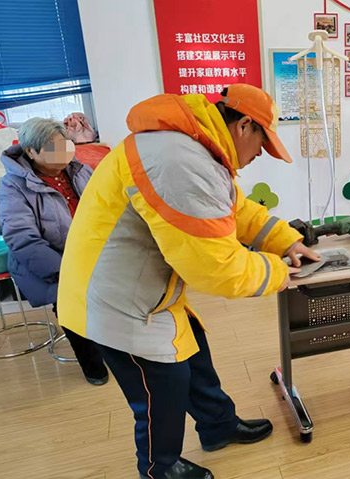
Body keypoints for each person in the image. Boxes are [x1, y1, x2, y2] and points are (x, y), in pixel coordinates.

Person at [57, 84, 320, 479]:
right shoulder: (177, 160)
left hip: (142, 287)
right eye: (262, 144)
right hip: (112, 299)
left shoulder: (194, 148)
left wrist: (286, 240)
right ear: (244, 126)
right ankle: (159, 468)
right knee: (162, 385)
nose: (258, 157)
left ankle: (217, 425)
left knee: (193, 350)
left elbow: (234, 209)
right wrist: (278, 272)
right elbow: (217, 269)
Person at [0, 118, 108, 384]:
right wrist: (65, 271)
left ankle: (115, 351)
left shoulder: (80, 170)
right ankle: (93, 365)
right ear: (31, 152)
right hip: (55, 264)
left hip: (95, 254)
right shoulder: (12, 186)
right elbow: (22, 238)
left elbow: (106, 206)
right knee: (72, 307)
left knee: (112, 302)